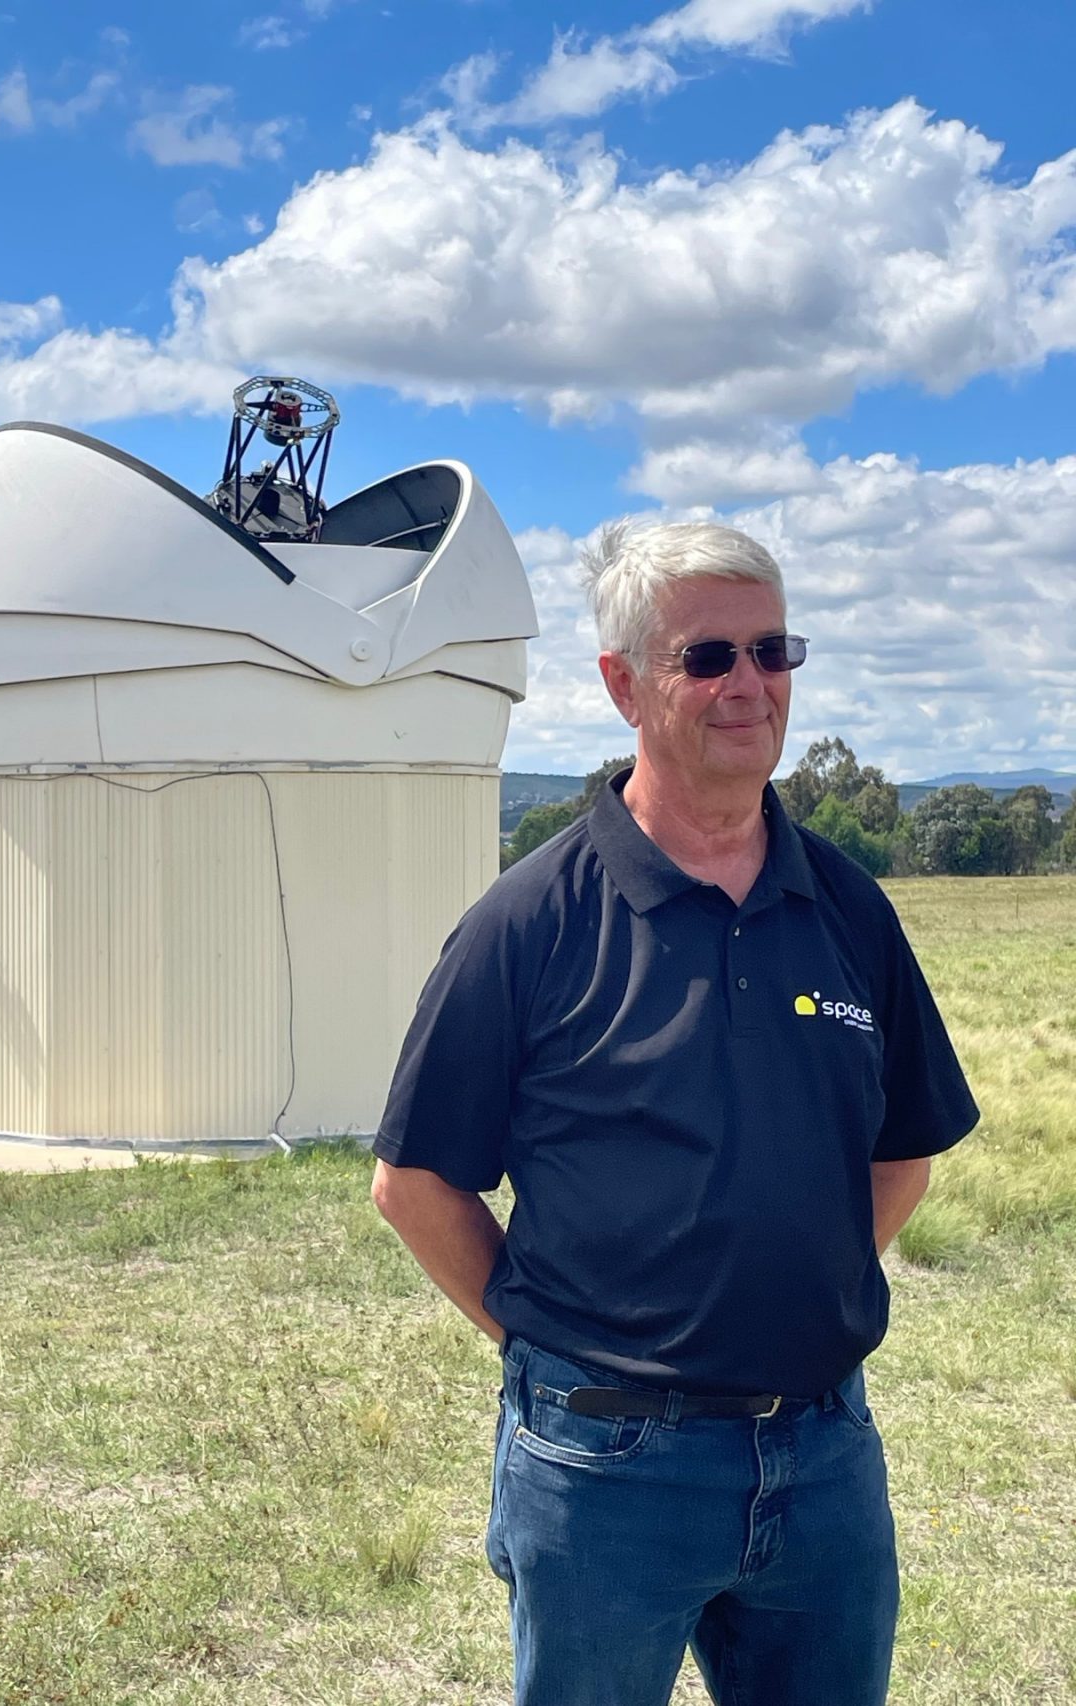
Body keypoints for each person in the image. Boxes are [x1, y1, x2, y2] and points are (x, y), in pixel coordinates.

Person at [370, 520, 978, 1706]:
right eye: (706, 657)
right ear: (621, 684)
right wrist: (546, 1345)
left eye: (772, 650)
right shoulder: (531, 920)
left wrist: (798, 1287)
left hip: (822, 1459)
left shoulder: (846, 908)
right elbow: (414, 1182)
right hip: (605, 1472)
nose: (747, 684)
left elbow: (902, 1145)